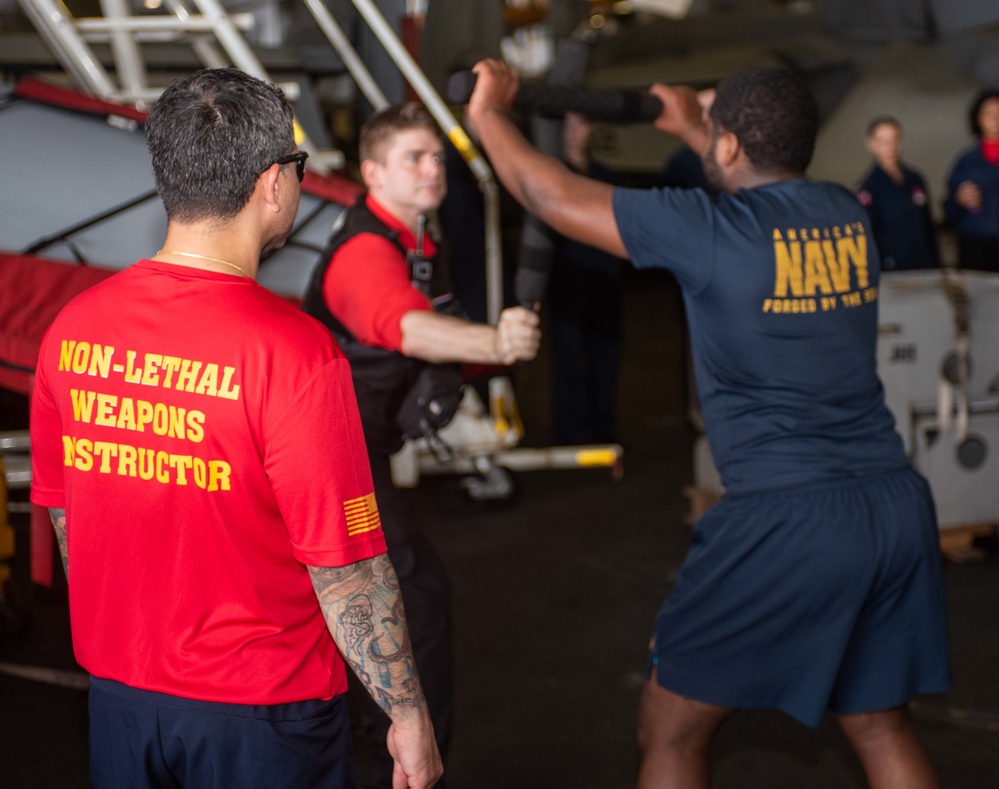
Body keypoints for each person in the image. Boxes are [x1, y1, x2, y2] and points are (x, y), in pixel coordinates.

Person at [467, 60, 951, 788]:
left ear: (728, 146)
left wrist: (489, 114)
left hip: (785, 520)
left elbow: (547, 191)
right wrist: (695, 124)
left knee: (669, 728)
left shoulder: (710, 230)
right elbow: (750, 166)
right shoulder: (844, 211)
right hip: (890, 503)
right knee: (880, 721)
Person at [29, 68, 442, 789]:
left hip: (121, 699)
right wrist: (405, 713)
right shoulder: (295, 352)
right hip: (263, 713)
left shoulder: (72, 330)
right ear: (275, 183)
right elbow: (346, 568)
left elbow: (69, 517)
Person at [302, 102, 540, 789]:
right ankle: (398, 769)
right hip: (331, 462)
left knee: (400, 594)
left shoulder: (416, 242)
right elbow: (403, 328)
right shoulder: (364, 251)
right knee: (413, 595)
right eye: (414, 157)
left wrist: (481, 355)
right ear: (372, 171)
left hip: (359, 450)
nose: (433, 168)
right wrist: (496, 340)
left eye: (437, 156)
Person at [549, 112, 626, 445]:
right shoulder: (552, 178)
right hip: (566, 279)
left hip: (605, 279)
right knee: (568, 357)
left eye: (581, 124)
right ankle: (572, 431)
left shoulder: (604, 176)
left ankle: (604, 427)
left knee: (606, 356)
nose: (575, 132)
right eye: (567, 125)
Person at [857, 116, 941, 270]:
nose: (890, 147)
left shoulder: (915, 179)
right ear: (871, 144)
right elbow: (867, 235)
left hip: (923, 265)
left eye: (895, 139)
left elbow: (928, 226)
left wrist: (936, 263)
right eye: (883, 141)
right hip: (892, 268)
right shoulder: (869, 187)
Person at [944, 88, 999, 271]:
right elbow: (949, 207)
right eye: (988, 113)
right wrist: (959, 199)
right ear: (978, 118)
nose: (995, 119)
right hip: (975, 245)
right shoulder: (966, 161)